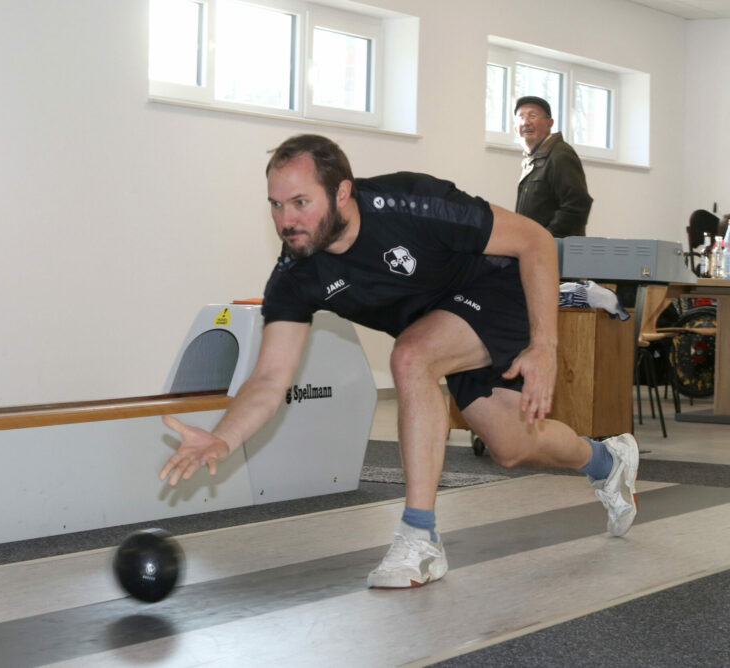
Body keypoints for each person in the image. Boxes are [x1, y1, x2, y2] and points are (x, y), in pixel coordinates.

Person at [159, 134, 638, 589]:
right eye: (276, 205)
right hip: (441, 325)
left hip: (499, 291)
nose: (286, 221)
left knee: (411, 357)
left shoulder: (412, 203)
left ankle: (419, 537)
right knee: (510, 446)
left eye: (301, 202)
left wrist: (545, 346)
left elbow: (534, 239)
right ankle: (607, 460)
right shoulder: (294, 276)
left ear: (342, 192)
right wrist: (223, 437)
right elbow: (268, 379)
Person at [514, 96, 592, 238]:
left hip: (555, 251)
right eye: (520, 117)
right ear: (515, 128)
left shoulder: (560, 154)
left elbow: (577, 205)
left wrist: (546, 238)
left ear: (549, 123)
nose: (525, 122)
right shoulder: (532, 160)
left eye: (532, 115)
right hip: (534, 248)